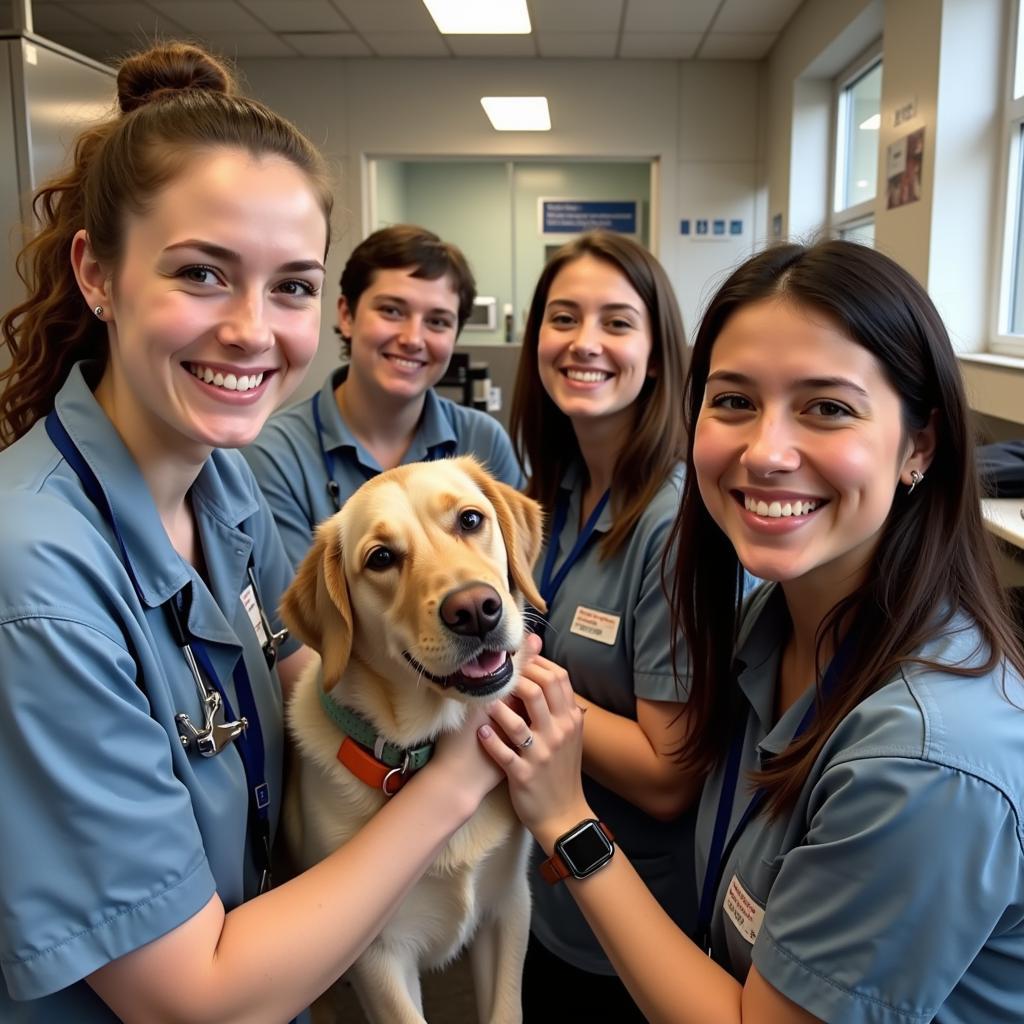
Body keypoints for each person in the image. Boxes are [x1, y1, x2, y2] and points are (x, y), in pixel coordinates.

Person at [0, 43, 505, 1023]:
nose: (251, 330)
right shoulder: (37, 588)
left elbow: (305, 671)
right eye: (201, 273)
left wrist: (472, 679)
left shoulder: (221, 487)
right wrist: (458, 776)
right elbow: (195, 998)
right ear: (97, 274)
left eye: (292, 286)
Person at [482, 240, 1024, 1023]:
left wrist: (567, 818)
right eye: (733, 401)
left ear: (920, 444)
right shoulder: (767, 629)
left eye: (828, 407)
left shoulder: (924, 763)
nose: (765, 453)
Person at [507, 230, 696, 1021]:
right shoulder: (555, 488)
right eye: (564, 318)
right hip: (547, 891)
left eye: (617, 322)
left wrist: (509, 681)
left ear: (656, 354)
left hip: (638, 919)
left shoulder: (675, 519)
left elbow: (666, 772)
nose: (585, 343)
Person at [243, 224, 522, 569]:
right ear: (347, 315)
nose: (413, 338)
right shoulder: (273, 457)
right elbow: (302, 614)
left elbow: (516, 578)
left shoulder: (483, 441)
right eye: (392, 311)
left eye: (438, 321)